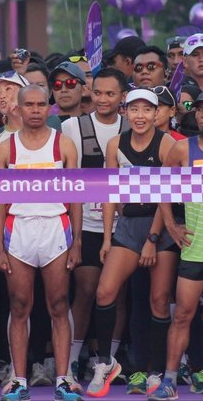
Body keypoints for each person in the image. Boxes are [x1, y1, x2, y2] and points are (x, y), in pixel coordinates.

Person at [0, 84, 82, 401]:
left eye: (40, 104)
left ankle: (63, 378)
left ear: (49, 107)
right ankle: (19, 379)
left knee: (59, 305)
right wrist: (0, 249)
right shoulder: (7, 147)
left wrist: (77, 242)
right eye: (28, 104)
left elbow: (77, 197)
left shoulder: (65, 145)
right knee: (19, 307)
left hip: (56, 229)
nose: (34, 110)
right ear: (17, 107)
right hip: (18, 231)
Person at [87, 88, 177, 398]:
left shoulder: (168, 145)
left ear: (157, 114)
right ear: (125, 112)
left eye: (146, 110)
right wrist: (108, 237)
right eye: (134, 109)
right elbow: (110, 191)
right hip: (127, 227)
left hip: (160, 227)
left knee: (159, 300)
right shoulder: (116, 144)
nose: (140, 115)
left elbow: (166, 199)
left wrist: (153, 239)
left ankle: (156, 373)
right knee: (104, 291)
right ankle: (105, 363)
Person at [62, 67, 129, 388]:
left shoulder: (134, 125)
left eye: (110, 94)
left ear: (122, 97)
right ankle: (71, 361)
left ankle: (108, 359)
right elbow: (63, 180)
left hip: (126, 226)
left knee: (117, 294)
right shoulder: (73, 127)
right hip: (86, 226)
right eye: (98, 92)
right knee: (87, 291)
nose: (103, 99)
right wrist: (73, 236)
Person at [149, 92, 203, 400]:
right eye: (200, 110)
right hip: (196, 246)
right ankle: (169, 381)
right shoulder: (184, 149)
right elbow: (161, 187)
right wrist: (170, 225)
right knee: (182, 314)